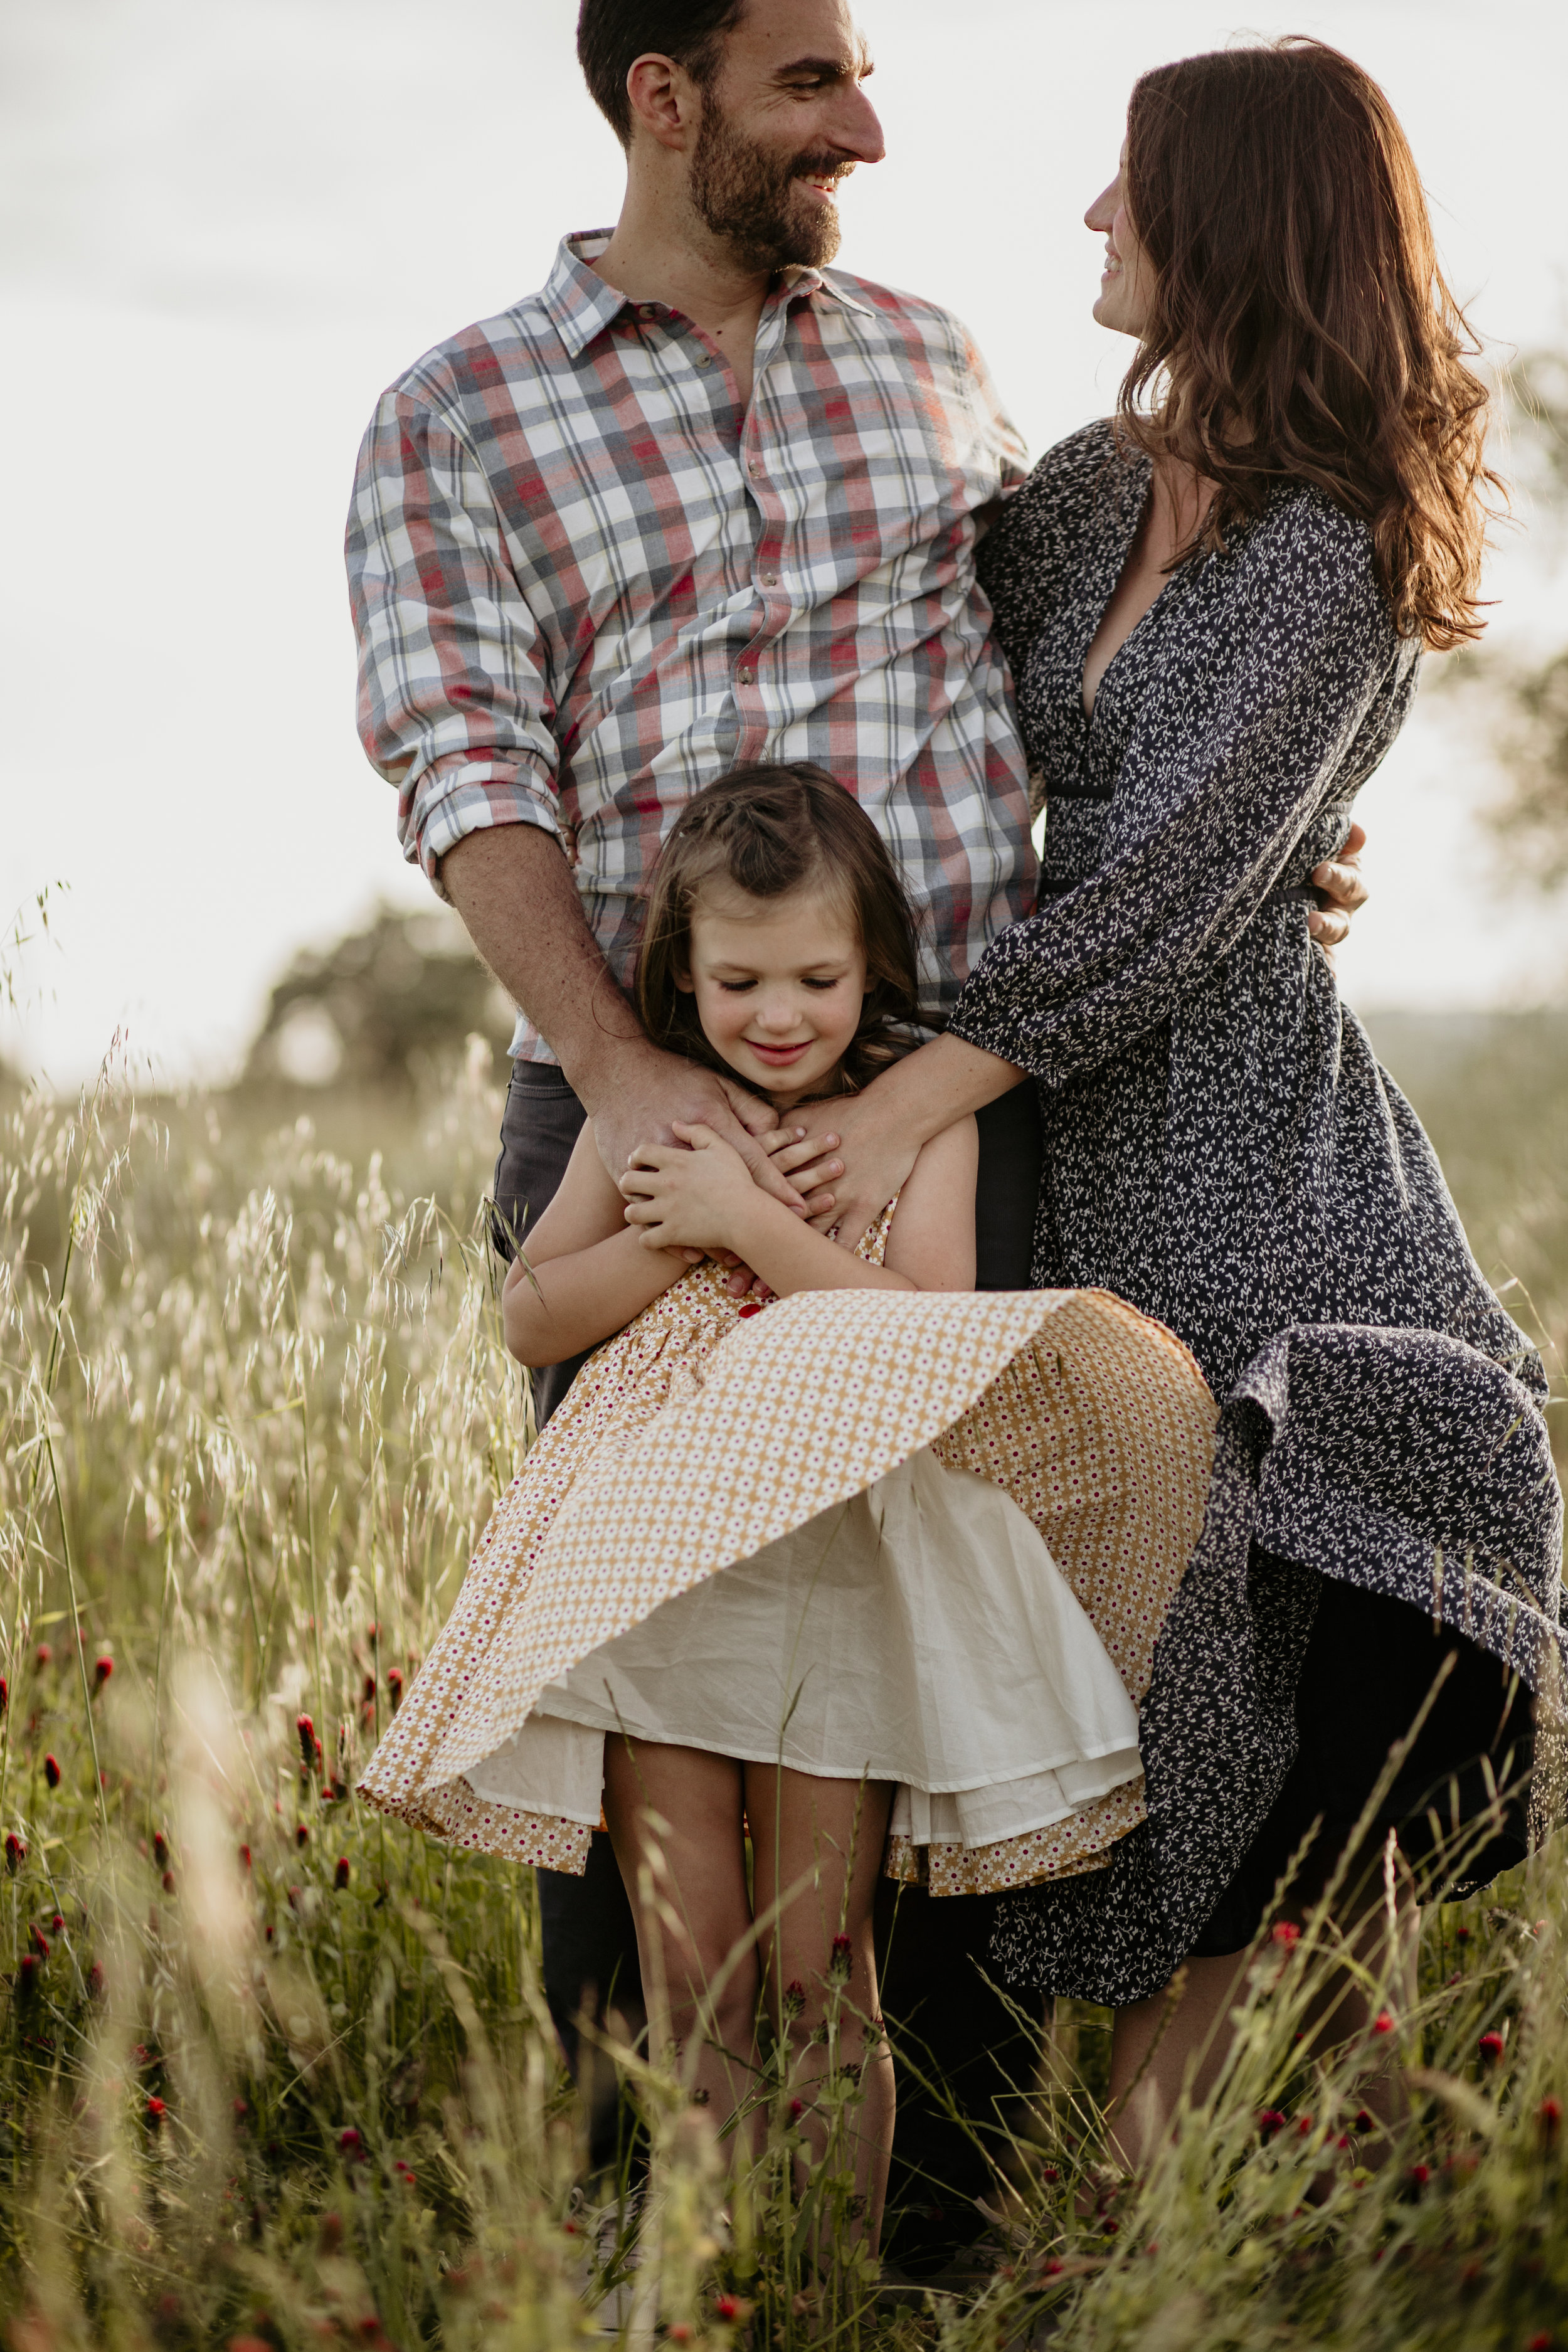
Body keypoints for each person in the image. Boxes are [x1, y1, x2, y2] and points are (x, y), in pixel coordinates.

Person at [344, 0, 1365, 2246]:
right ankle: (655, 2244)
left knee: (941, 1652)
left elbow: (1104, 660)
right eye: (815, 83)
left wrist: (1266, 840)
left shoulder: (929, 360)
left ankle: (921, 2244)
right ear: (665, 98)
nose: (868, 127)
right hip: (636, 1086)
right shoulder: (457, 416)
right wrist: (631, 1080)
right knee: (653, 1668)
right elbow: (466, 773)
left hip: (943, 1101)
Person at [766, 38, 1564, 2171]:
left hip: (1252, 1164)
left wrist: (900, 1101)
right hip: (1055, 1152)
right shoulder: (1092, 494)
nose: (1094, 224)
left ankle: (1202, 2228)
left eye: (1128, 191)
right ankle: (1129, 2207)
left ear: (1229, 221)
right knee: (1106, 1676)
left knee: (1280, 1658)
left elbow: (1156, 903)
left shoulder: (1339, 546)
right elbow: (917, 705)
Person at [356, 763, 1219, 2241]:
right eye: (737, 979)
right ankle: (713, 2286)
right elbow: (533, 1315)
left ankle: (821, 2285)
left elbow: (928, 1327)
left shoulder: (909, 1127)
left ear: (871, 962)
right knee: (691, 1972)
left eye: (815, 977)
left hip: (841, 1584)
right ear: (678, 981)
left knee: (824, 1971)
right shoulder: (649, 1123)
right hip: (660, 1582)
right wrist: (681, 1228)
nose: (777, 1013)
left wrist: (752, 1220)